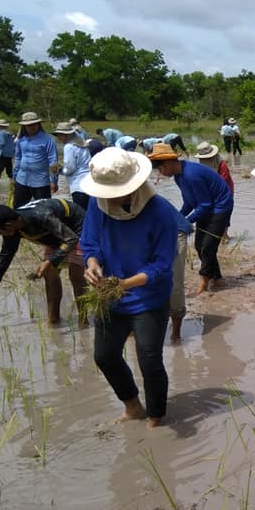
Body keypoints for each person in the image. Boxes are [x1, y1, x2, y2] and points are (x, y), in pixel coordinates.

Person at [79, 147, 178, 428]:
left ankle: (156, 416)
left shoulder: (160, 213)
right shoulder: (97, 206)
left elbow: (161, 266)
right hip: (110, 297)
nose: (108, 198)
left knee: (149, 358)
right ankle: (133, 407)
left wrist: (124, 284)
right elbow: (90, 243)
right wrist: (92, 265)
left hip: (149, 297)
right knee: (105, 356)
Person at [0, 198, 86, 325]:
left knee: (76, 274)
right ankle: (53, 320)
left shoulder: (42, 216)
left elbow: (71, 239)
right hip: (54, 235)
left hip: (76, 228)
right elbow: (5, 256)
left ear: (8, 225)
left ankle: (83, 320)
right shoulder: (13, 229)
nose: (0, 235)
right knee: (49, 273)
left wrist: (49, 261)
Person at [148, 142, 232, 295]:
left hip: (220, 207)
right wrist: (177, 219)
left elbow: (205, 204)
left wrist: (187, 222)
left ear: (167, 164)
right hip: (207, 207)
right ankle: (217, 278)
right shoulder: (179, 176)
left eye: (160, 169)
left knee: (207, 246)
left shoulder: (191, 175)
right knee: (200, 245)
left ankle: (204, 283)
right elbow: (189, 202)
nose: (159, 173)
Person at [13, 112, 58, 207]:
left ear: (38, 124)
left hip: (41, 181)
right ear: (24, 126)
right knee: (19, 208)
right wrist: (14, 176)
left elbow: (53, 161)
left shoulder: (48, 139)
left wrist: (53, 181)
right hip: (22, 179)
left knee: (45, 209)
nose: (31, 127)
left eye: (33, 124)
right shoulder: (21, 140)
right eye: (28, 125)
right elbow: (17, 158)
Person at [194, 142, 235, 240]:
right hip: (210, 192)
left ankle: (225, 235)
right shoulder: (202, 165)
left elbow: (223, 181)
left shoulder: (221, 165)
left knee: (224, 213)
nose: (203, 160)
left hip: (225, 191)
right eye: (202, 159)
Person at [53, 121, 92, 209]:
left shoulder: (69, 147)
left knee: (81, 214)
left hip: (78, 185)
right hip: (89, 182)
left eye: (60, 135)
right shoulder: (81, 143)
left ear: (66, 135)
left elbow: (70, 168)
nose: (59, 137)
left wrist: (60, 170)